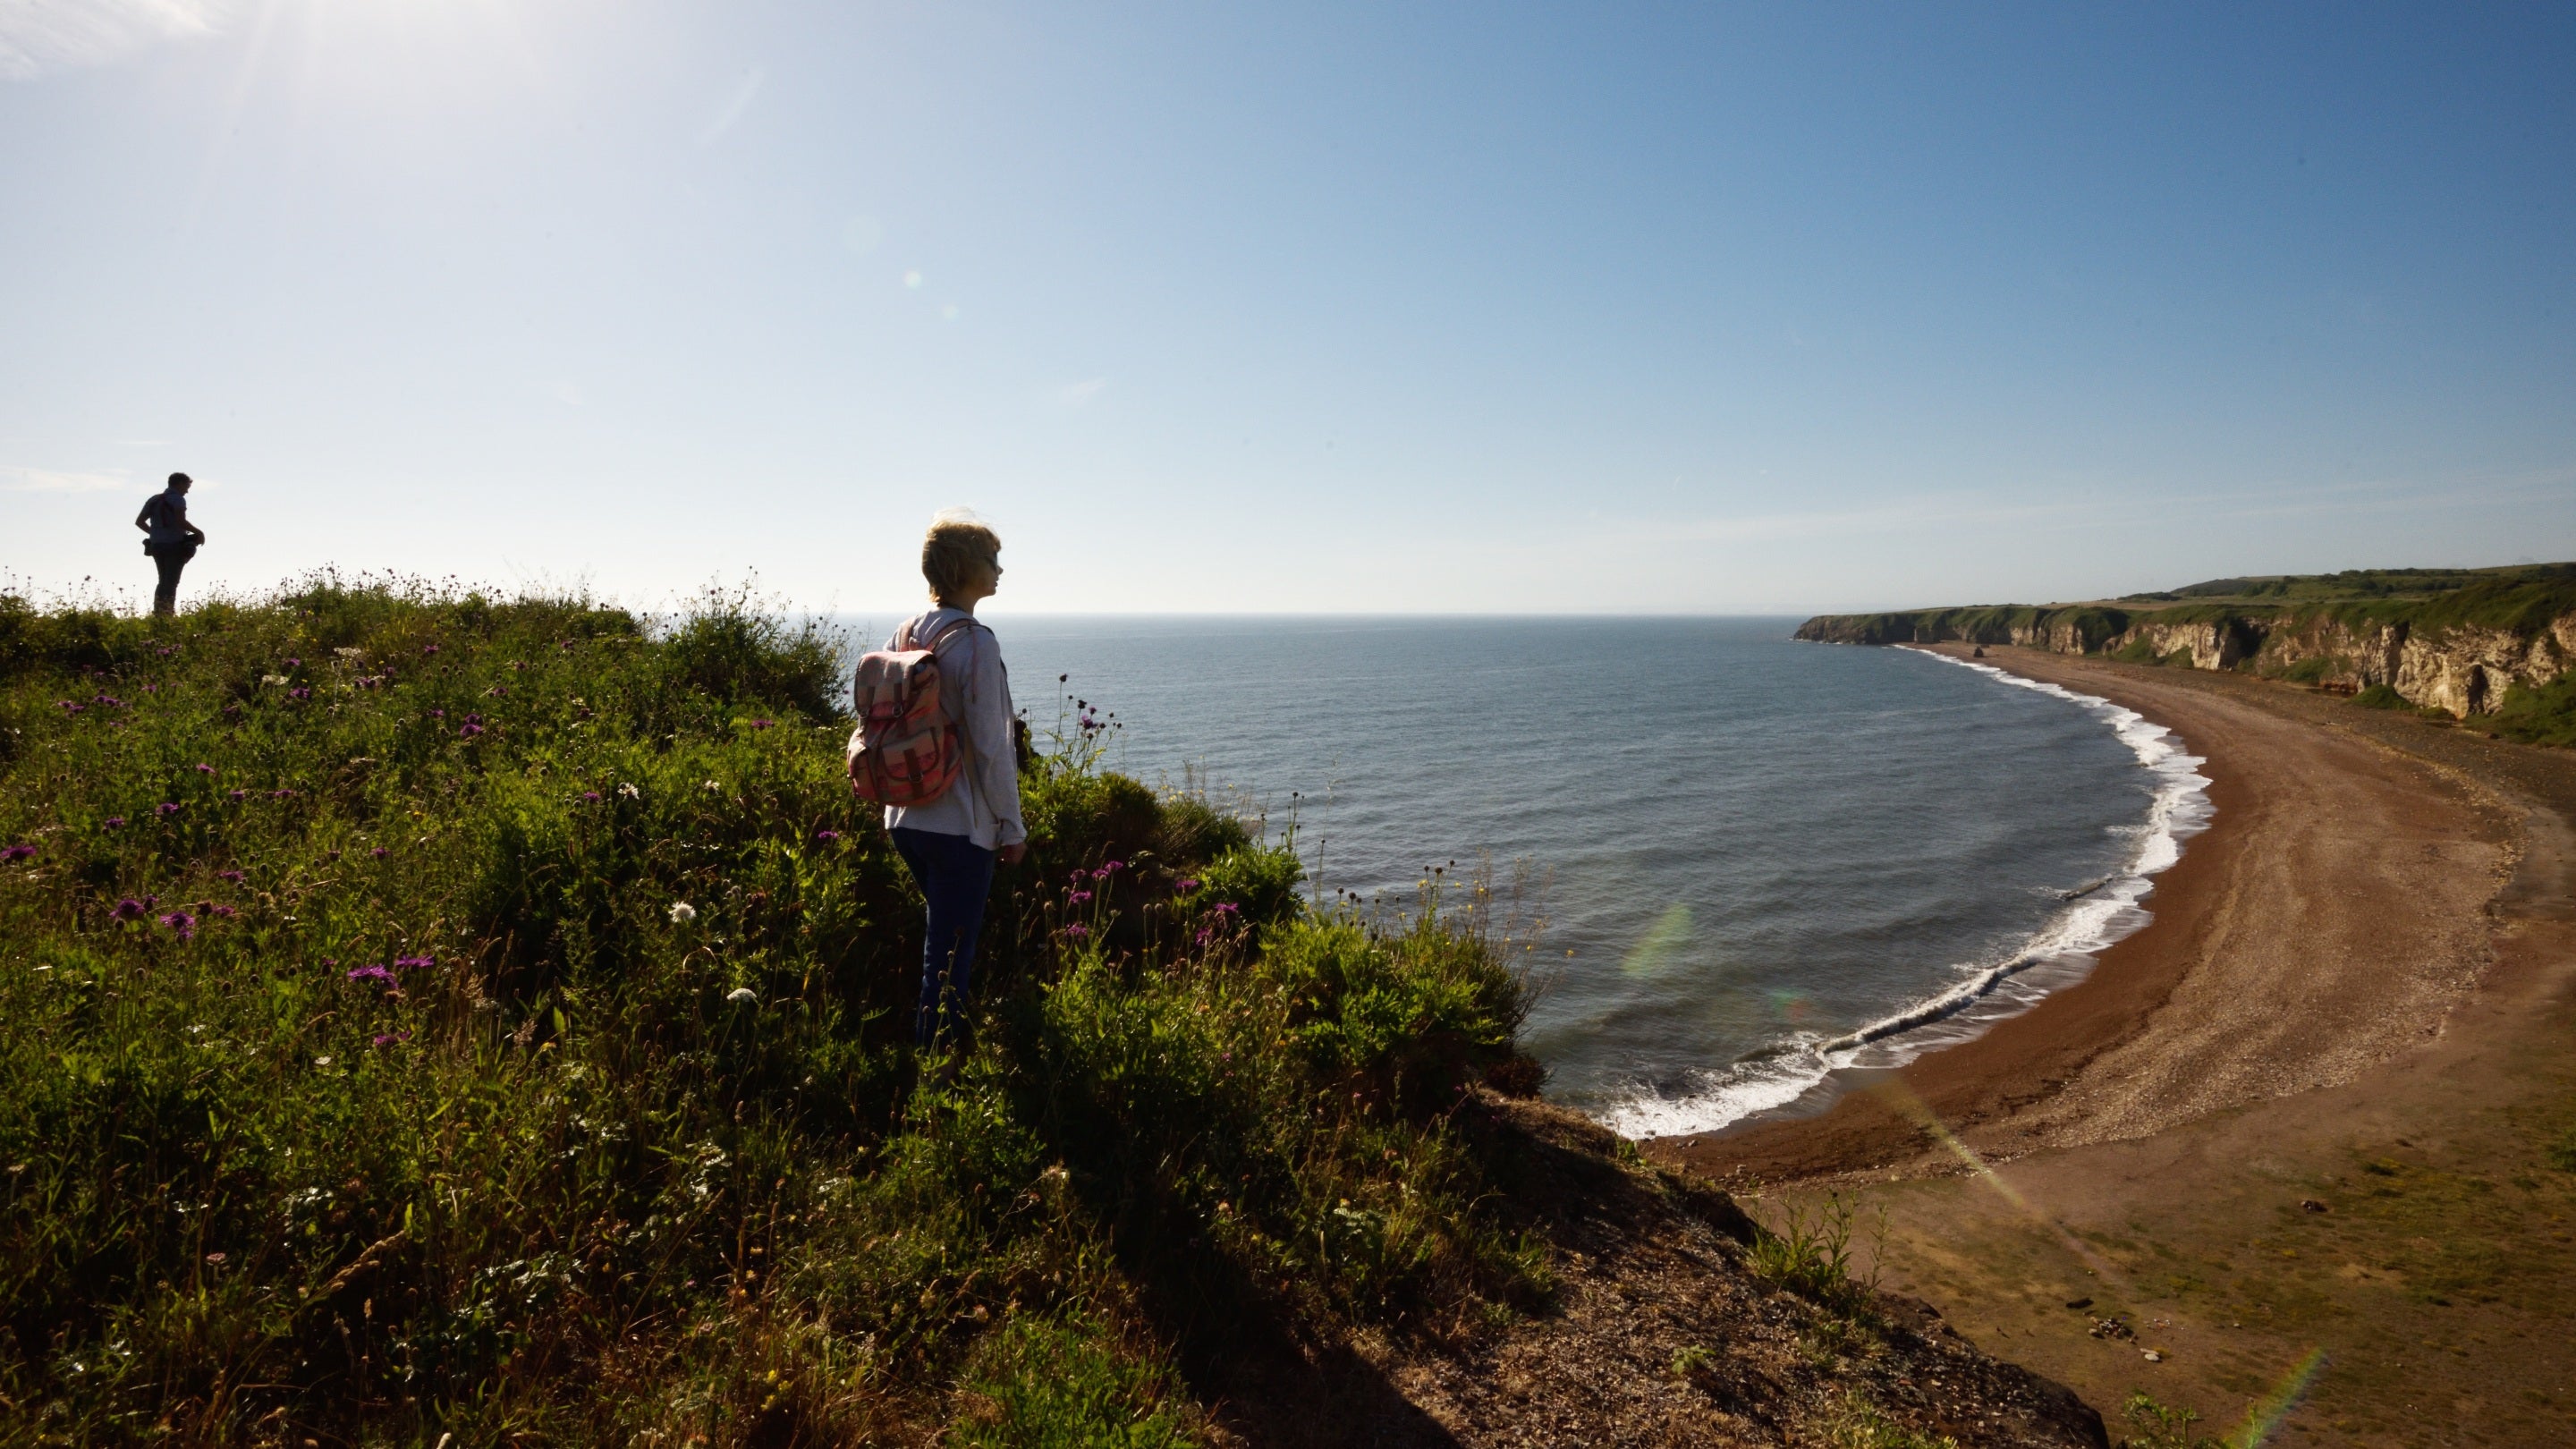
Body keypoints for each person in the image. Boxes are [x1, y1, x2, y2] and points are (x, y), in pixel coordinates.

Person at [877, 514, 1027, 1048]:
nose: (1000, 569)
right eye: (991, 559)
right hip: (960, 826)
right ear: (965, 568)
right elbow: (992, 748)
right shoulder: (977, 644)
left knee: (941, 944)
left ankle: (943, 1055)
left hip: (905, 817)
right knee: (946, 959)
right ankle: (938, 1080)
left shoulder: (906, 631)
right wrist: (1011, 828)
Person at [134, 472, 207, 616]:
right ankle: (166, 614)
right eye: (186, 486)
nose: (187, 490)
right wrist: (199, 532)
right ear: (179, 484)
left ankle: (159, 613)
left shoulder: (154, 499)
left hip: (156, 545)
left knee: (162, 581)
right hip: (174, 545)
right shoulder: (178, 500)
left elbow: (139, 522)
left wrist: (154, 534)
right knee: (171, 582)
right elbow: (181, 521)